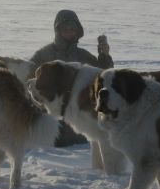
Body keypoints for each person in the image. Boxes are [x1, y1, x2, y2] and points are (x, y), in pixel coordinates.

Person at [31, 9, 114, 147]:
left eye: (73, 28)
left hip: (79, 131)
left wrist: (104, 56)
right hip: (49, 126)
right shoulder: (43, 55)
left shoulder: (84, 56)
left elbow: (104, 78)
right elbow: (28, 83)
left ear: (77, 31)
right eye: (65, 27)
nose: (69, 31)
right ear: (58, 29)